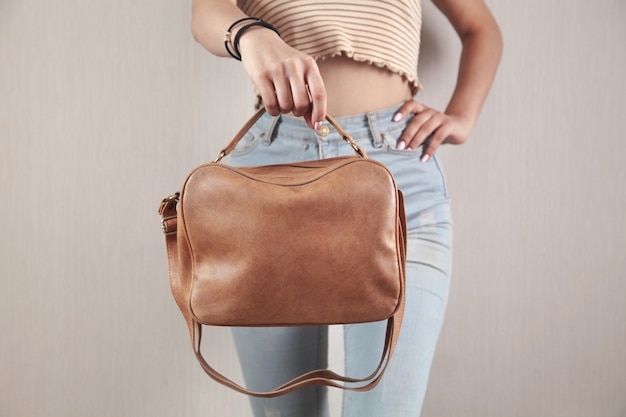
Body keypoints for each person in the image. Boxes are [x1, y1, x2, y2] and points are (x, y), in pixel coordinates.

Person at [191, 0, 502, 416]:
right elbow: (204, 12)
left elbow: (480, 27)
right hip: (271, 182)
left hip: (397, 174)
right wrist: (253, 35)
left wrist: (461, 117)